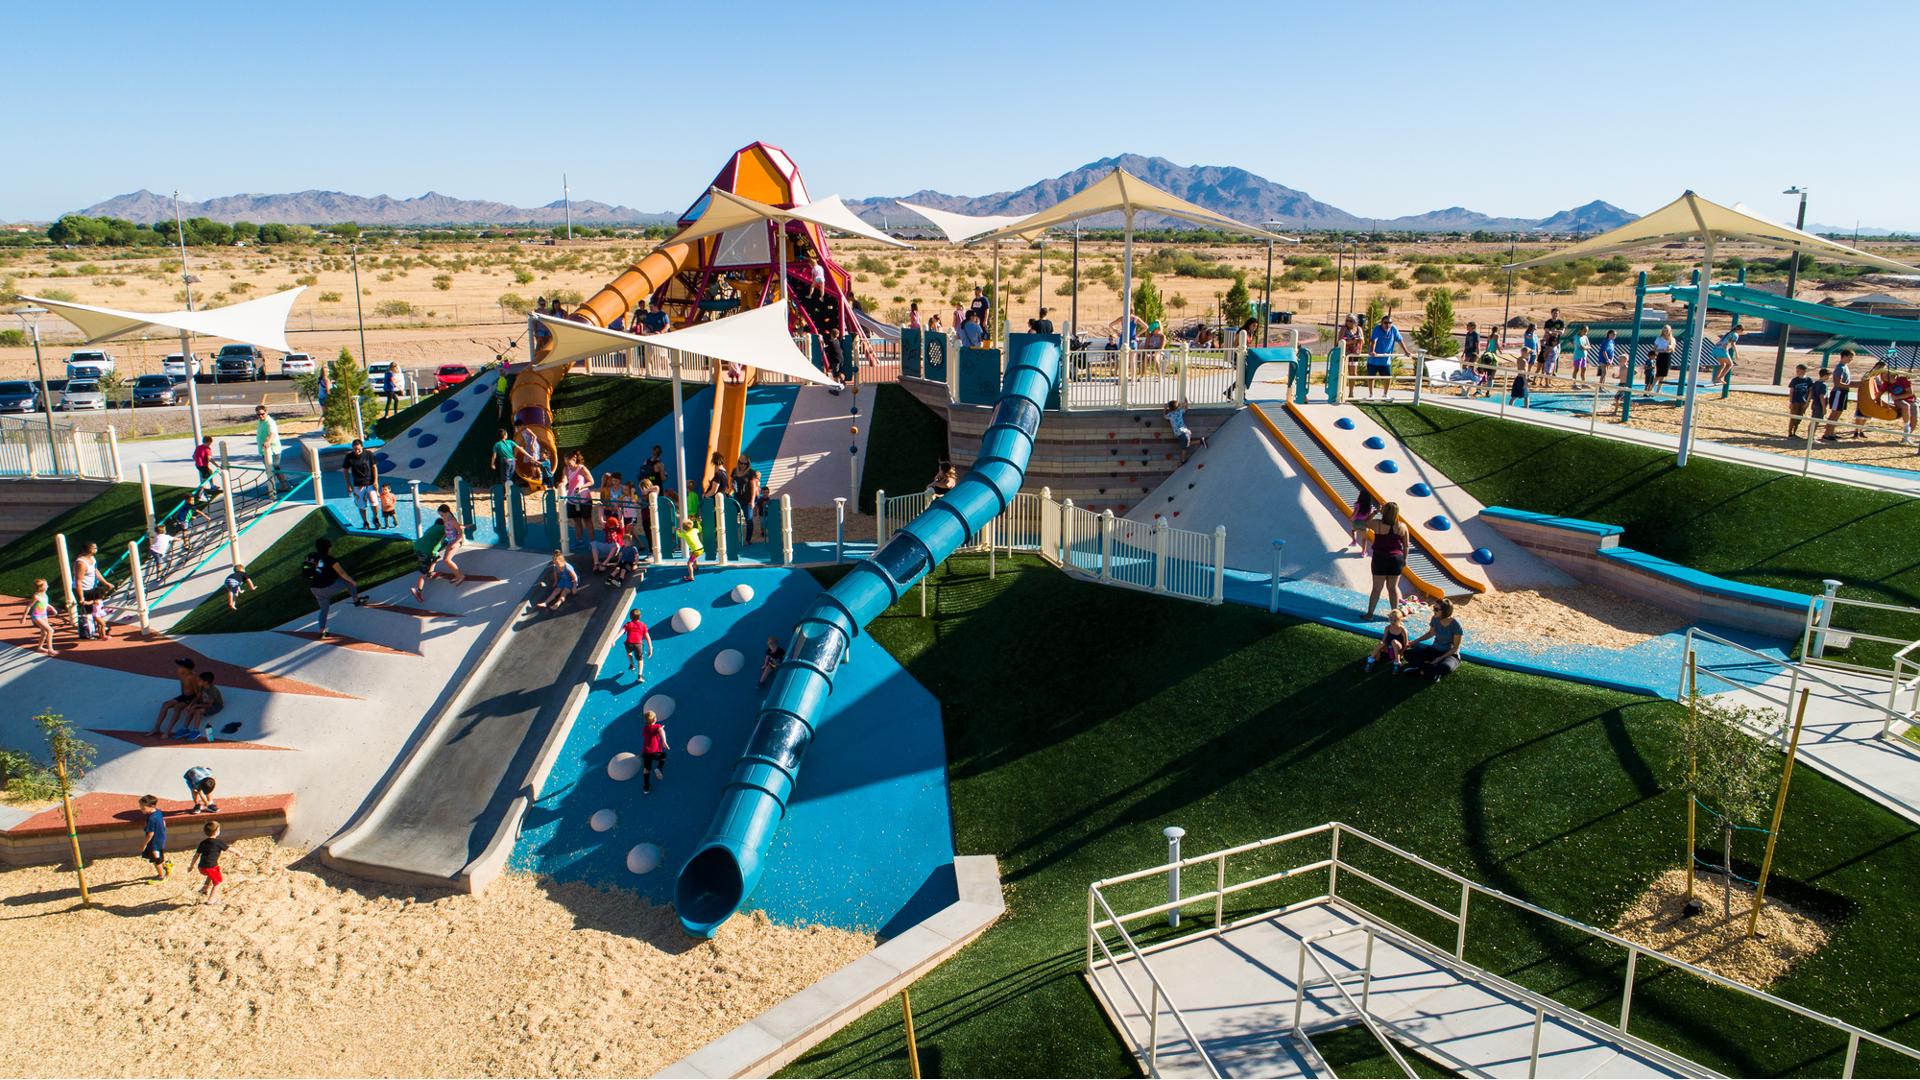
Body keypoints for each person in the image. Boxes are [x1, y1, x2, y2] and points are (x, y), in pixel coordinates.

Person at [302, 536, 362, 640]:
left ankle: (322, 631)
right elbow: (342, 573)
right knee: (349, 581)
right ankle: (356, 600)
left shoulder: (312, 556)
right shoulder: (330, 559)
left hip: (315, 589)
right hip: (328, 587)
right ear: (328, 548)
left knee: (324, 609)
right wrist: (353, 581)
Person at [1359, 501, 1411, 618]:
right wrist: (1404, 559)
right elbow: (1406, 545)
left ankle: (1369, 614)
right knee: (1393, 588)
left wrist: (1375, 512)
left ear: (1384, 512)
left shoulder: (1377, 524)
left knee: (1377, 588)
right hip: (1396, 559)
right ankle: (1395, 616)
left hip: (1380, 559)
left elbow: (1364, 522)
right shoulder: (1402, 527)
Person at [1404, 598, 1466, 682]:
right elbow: (1430, 633)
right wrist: (1415, 641)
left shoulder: (1456, 625)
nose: (1434, 611)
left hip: (1449, 655)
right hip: (1434, 650)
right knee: (1408, 653)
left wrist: (1439, 658)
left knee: (1446, 667)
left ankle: (1421, 670)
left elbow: (1455, 648)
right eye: (1434, 608)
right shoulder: (1435, 618)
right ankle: (1430, 672)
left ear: (1445, 611)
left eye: (1436, 609)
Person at [1365, 313, 1412, 398]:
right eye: (1385, 323)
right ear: (1381, 323)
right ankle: (1371, 394)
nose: (1388, 325)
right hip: (1374, 360)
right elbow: (1373, 341)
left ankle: (1385, 394)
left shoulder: (1393, 329)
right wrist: (1372, 351)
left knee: (1388, 377)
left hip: (1386, 361)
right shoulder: (1377, 329)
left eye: (1390, 323)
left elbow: (1400, 340)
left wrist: (1406, 351)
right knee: (1371, 377)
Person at [152, 658, 200, 736]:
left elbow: (198, 693)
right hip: (184, 696)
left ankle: (167, 731)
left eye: (180, 666)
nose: (178, 668)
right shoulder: (181, 674)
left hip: (191, 698)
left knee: (177, 707)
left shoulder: (192, 678)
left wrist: (191, 704)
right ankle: (156, 728)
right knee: (165, 704)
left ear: (186, 669)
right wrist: (180, 698)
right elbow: (182, 687)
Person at [187, 821, 228, 905]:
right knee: (217, 882)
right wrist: (239, 853)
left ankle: (204, 889)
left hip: (201, 867)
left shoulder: (203, 842)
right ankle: (211, 900)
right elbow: (229, 848)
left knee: (212, 874)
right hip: (210, 867)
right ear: (217, 832)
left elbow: (196, 855)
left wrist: (191, 866)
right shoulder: (218, 842)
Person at [342, 439, 379, 529]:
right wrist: (348, 485)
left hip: (370, 482)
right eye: (354, 449)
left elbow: (374, 467)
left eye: (358, 449)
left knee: (373, 500)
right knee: (361, 504)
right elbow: (345, 470)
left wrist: (375, 481)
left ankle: (375, 518)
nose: (357, 451)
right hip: (358, 484)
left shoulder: (369, 454)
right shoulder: (349, 457)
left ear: (362, 447)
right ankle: (365, 522)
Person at [180, 671, 222, 741]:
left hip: (215, 706)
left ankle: (196, 731)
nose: (197, 681)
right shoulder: (202, 687)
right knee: (191, 710)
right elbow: (197, 697)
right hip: (205, 703)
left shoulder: (212, 690)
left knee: (198, 711)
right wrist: (191, 705)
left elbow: (209, 705)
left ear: (205, 682)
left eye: (199, 680)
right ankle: (185, 728)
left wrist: (196, 705)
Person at [1824, 349, 1855, 441]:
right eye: (1850, 357)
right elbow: (1838, 383)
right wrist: (1854, 385)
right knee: (1834, 413)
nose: (1851, 359)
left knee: (1838, 413)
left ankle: (1831, 432)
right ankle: (1827, 434)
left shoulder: (1845, 367)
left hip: (1843, 392)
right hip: (1838, 392)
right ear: (1844, 356)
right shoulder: (1840, 368)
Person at [1163, 398, 1206, 464]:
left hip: (1180, 434)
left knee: (1184, 447)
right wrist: (1186, 401)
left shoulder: (1170, 415)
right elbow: (1186, 408)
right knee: (1187, 444)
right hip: (1185, 431)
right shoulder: (1180, 411)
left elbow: (1164, 416)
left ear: (1170, 408)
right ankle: (1200, 441)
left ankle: (1183, 460)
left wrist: (1165, 408)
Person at [1365, 608, 1409, 673]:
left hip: (1398, 649)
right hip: (1389, 649)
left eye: (1395, 620)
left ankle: (1397, 663)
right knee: (1381, 643)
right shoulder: (1387, 628)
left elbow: (1406, 644)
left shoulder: (1403, 630)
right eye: (1391, 619)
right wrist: (1382, 647)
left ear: (1399, 620)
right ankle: (1370, 661)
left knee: (1394, 641)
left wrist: (1401, 653)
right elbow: (1383, 640)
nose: (1392, 622)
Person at [139, 794, 170, 881]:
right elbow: (163, 822)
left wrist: (144, 845)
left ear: (151, 806)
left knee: (156, 859)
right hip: (161, 839)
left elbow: (150, 834)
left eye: (143, 808)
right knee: (160, 855)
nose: (141, 810)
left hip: (154, 843)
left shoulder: (151, 819)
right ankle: (166, 867)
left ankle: (161, 875)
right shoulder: (158, 812)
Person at [563, 451, 593, 535]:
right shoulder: (566, 469)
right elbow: (564, 479)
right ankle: (579, 541)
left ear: (574, 459)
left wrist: (581, 487)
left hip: (583, 499)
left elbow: (591, 481)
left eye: (569, 463)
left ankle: (592, 542)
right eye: (566, 462)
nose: (567, 465)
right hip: (572, 500)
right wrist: (562, 483)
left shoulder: (581, 468)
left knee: (587, 520)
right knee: (576, 520)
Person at [22, 578, 55, 656]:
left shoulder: (45, 594)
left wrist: (52, 608)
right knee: (50, 630)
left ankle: (40, 647)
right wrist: (24, 617)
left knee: (44, 633)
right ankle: (50, 650)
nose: (48, 586)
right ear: (41, 587)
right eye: (46, 585)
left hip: (44, 615)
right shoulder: (36, 596)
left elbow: (45, 603)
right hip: (37, 616)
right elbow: (29, 606)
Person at [254, 405, 283, 491]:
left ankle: (282, 485)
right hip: (264, 450)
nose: (260, 416)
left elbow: (272, 433)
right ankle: (273, 486)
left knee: (274, 468)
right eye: (258, 415)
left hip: (273, 450)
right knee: (270, 469)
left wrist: (268, 442)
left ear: (266, 412)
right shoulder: (260, 421)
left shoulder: (270, 422)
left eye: (262, 414)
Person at [640, 709, 669, 794]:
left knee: (646, 769)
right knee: (663, 756)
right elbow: (660, 731)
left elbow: (652, 732)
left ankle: (646, 788)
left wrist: (659, 729)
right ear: (654, 719)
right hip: (655, 752)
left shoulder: (645, 729)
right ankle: (659, 768)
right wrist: (664, 742)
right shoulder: (657, 727)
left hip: (646, 753)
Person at [622, 608, 653, 678]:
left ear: (630, 616)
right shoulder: (643, 625)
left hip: (629, 643)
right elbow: (648, 637)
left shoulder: (628, 624)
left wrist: (614, 640)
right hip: (638, 645)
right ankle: (640, 676)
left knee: (629, 652)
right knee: (640, 660)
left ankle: (631, 664)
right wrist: (650, 648)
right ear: (640, 616)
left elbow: (621, 632)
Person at [1787, 363, 1815, 439]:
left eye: (1799, 370)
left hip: (1803, 401)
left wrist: (1808, 402)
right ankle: (1790, 433)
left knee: (1799, 418)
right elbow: (1791, 391)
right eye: (1797, 370)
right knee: (1793, 417)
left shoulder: (1808, 380)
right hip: (1795, 401)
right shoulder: (1795, 380)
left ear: (1804, 371)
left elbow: (1810, 391)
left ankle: (1795, 432)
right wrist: (1790, 401)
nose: (1797, 372)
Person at [675, 514, 703, 582]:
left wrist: (677, 530)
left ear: (684, 528)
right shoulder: (695, 530)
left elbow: (678, 535)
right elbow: (700, 530)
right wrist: (699, 523)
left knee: (689, 563)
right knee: (692, 554)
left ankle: (691, 576)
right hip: (701, 549)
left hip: (696, 551)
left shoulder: (685, 534)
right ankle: (695, 566)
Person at [1348, 488, 1376, 554]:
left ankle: (1354, 541)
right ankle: (1363, 552)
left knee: (1353, 530)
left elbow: (1355, 513)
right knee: (1364, 539)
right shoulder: (1369, 507)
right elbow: (1369, 517)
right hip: (1364, 524)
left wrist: (1351, 518)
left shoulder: (1357, 504)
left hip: (1356, 522)